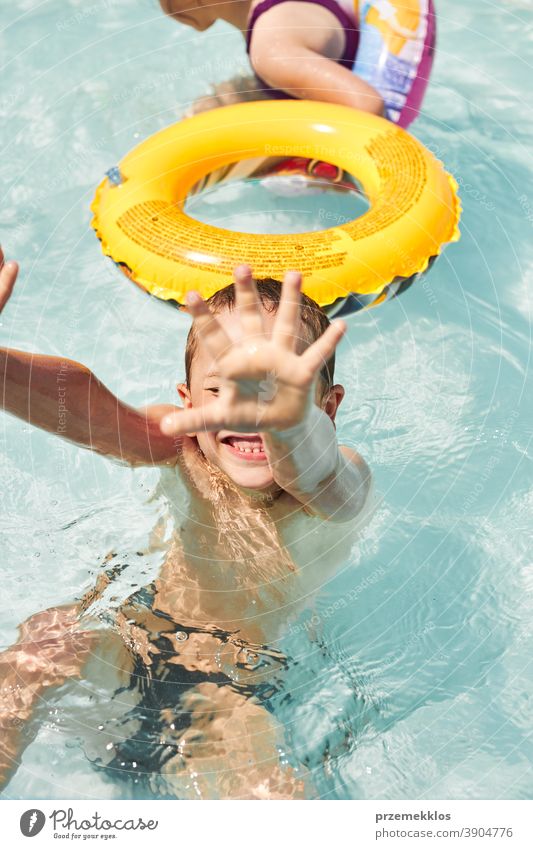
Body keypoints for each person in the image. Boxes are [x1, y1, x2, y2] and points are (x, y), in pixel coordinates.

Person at [0, 248, 372, 798]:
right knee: (45, 641)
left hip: (230, 691)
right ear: (188, 399)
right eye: (223, 390)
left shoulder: (339, 484)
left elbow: (317, 470)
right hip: (130, 640)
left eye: (281, 393)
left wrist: (294, 430)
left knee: (273, 803)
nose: (251, 411)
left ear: (329, 407)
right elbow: (89, 410)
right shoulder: (182, 447)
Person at [161, 0, 436, 128]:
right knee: (211, 105)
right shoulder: (280, 23)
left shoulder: (272, 52)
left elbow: (367, 106)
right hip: (329, 58)